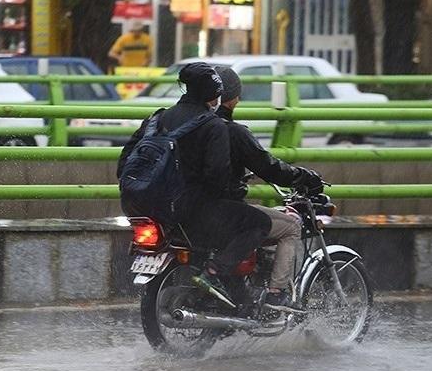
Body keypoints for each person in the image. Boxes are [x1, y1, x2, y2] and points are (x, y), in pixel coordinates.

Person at [117, 62, 271, 306]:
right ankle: (214, 275)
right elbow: (217, 178)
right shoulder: (213, 126)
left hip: (141, 206)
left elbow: (124, 161)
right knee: (259, 222)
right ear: (214, 95)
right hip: (185, 211)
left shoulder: (156, 119)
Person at [215, 66, 323, 312]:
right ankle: (276, 294)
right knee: (290, 226)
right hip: (222, 212)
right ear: (234, 99)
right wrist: (303, 177)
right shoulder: (232, 131)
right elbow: (269, 167)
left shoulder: (185, 125)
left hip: (187, 208)